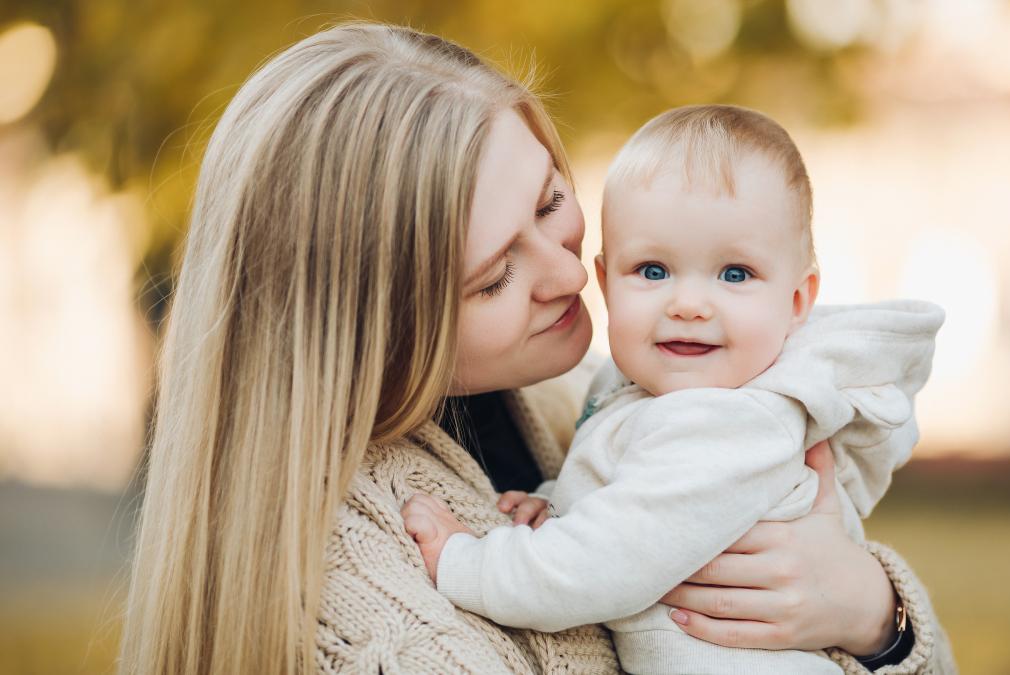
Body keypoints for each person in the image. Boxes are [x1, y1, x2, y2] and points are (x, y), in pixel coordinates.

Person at [120, 22, 956, 675]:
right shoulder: (368, 599)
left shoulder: (593, 397)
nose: (570, 272)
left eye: (552, 202)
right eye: (494, 277)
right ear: (377, 332)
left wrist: (875, 616)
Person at [401, 104, 945, 674]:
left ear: (796, 302)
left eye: (735, 274)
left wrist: (464, 562)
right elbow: (642, 502)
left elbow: (595, 567)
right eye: (654, 271)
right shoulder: (650, 394)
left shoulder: (731, 425)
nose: (688, 305)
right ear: (607, 283)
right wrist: (563, 505)